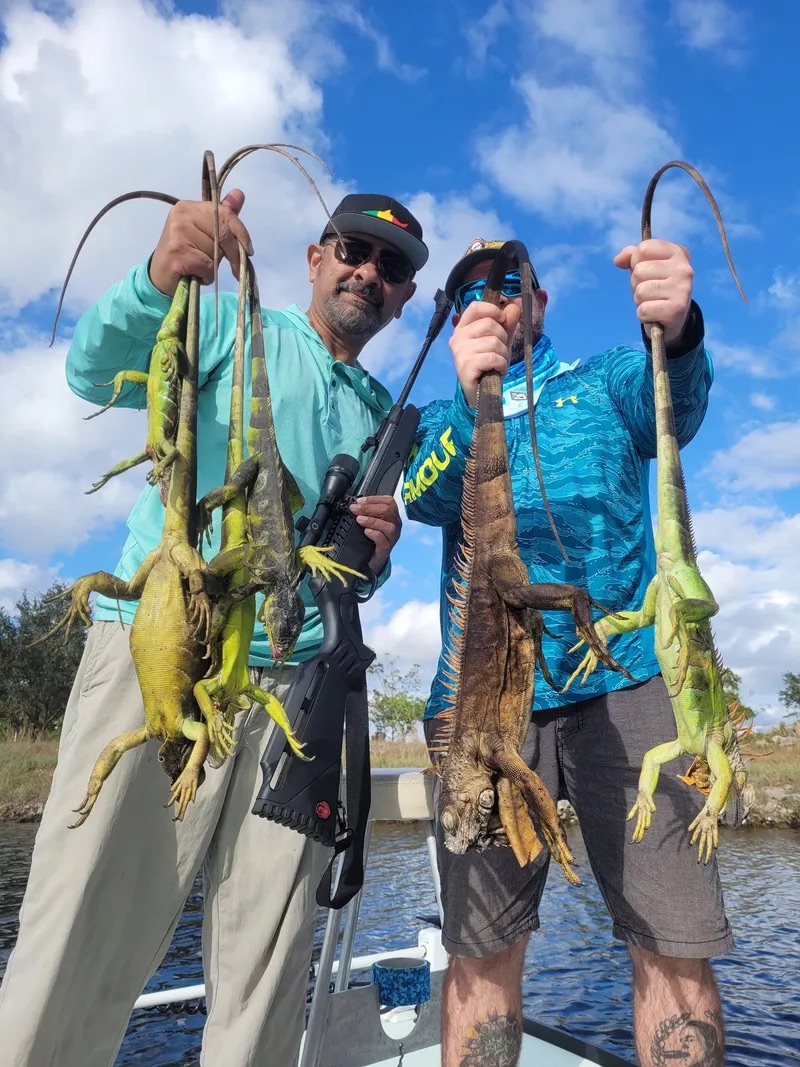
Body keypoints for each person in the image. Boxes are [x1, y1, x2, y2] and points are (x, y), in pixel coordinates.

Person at [0, 190, 427, 1067]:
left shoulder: (390, 413)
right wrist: (163, 275)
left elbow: (353, 581)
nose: (369, 274)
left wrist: (374, 552)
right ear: (315, 259)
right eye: (354, 250)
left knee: (269, 971)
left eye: (393, 269)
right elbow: (93, 368)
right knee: (83, 924)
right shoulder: (228, 321)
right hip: (169, 642)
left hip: (299, 698)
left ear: (405, 298)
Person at [404, 236, 731, 1067]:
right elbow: (422, 494)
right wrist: (469, 389)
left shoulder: (606, 380)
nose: (496, 298)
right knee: (479, 946)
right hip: (487, 704)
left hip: (630, 684)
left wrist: (679, 325)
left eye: (509, 283)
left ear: (541, 298)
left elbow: (678, 403)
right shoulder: (443, 420)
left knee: (673, 937)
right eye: (474, 288)